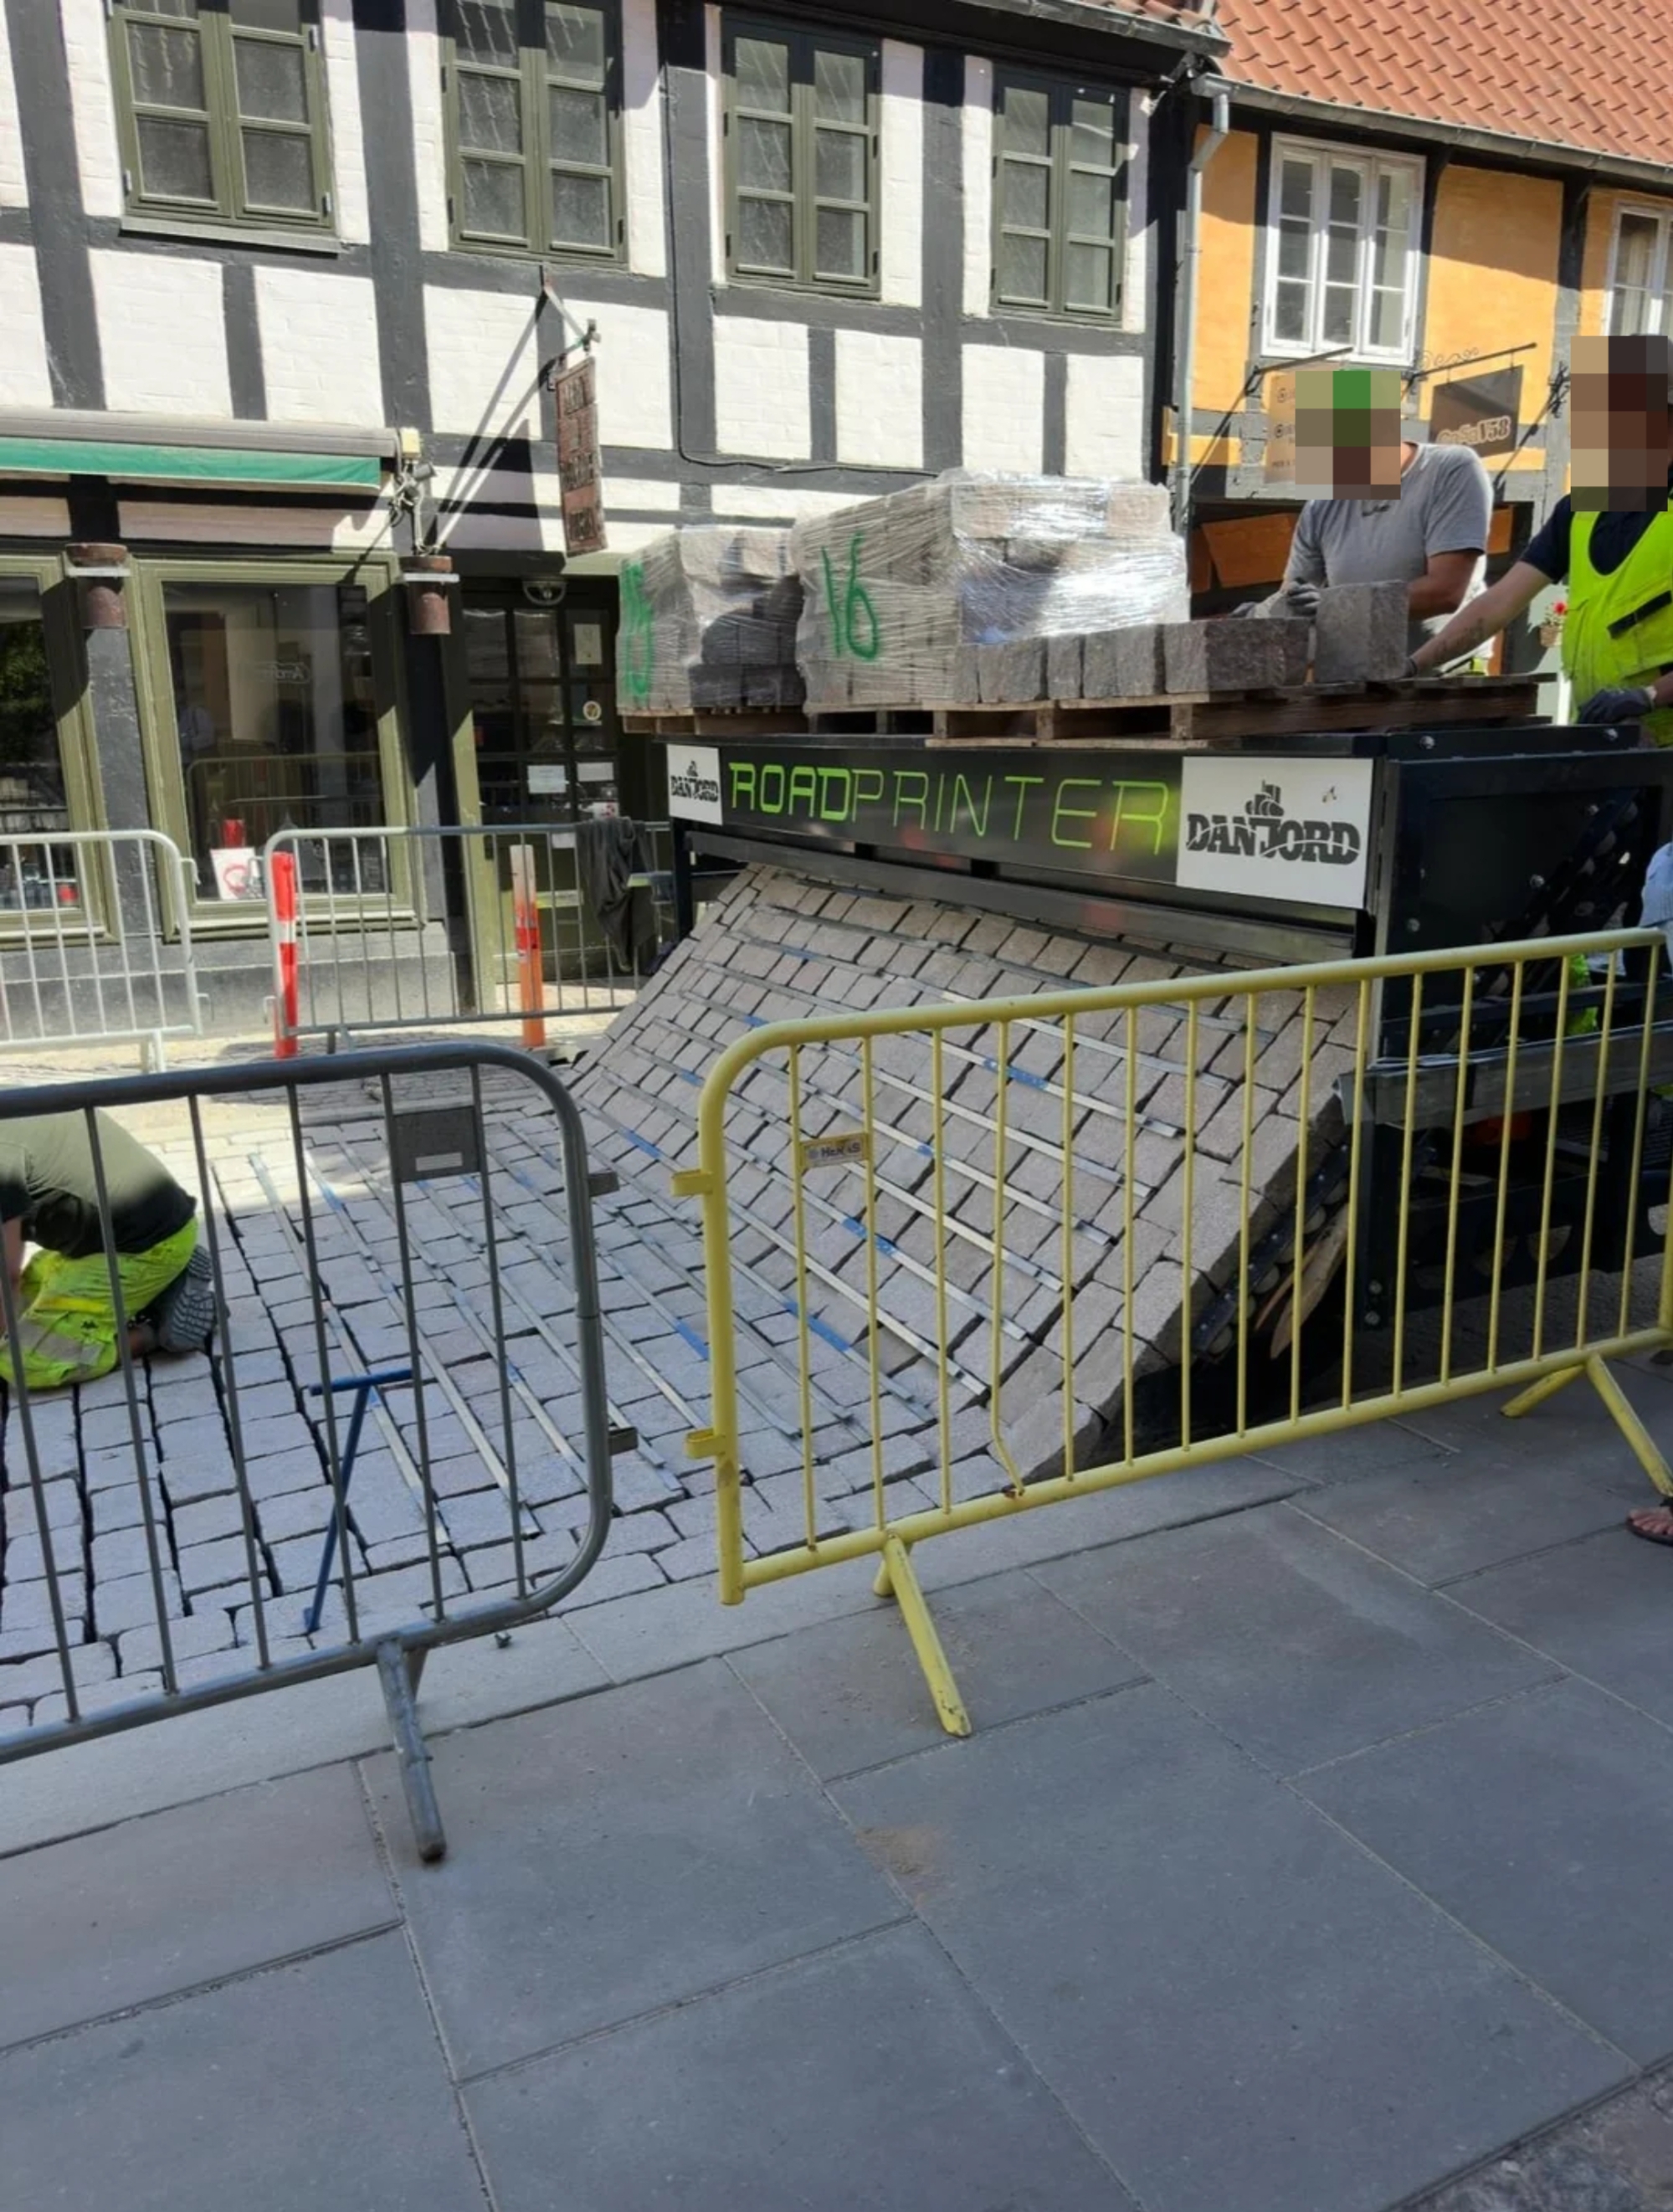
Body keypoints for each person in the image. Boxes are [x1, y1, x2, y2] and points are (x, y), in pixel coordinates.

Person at [1409, 332, 1673, 737]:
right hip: (1608, 739)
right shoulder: (1581, 510)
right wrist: (1415, 664)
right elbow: (1498, 604)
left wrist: (1652, 695)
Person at [1267, 364, 1493, 651]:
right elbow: (1294, 598)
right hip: (1356, 672)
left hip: (1442, 675)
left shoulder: (1451, 468)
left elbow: (1446, 592)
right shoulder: (1322, 507)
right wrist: (1261, 615)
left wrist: (1339, 606)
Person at [0, 1111, 215, 1391]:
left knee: (23, 1362)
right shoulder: (11, 1103)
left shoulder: (4, 1153)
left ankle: (155, 1328)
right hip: (101, 1241)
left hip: (145, 1247)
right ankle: (161, 1290)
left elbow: (7, 1276)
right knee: (24, 1308)